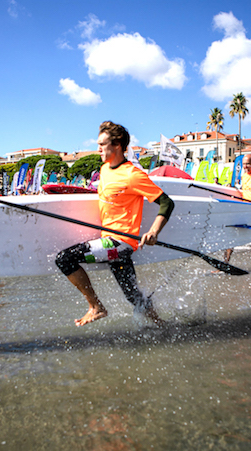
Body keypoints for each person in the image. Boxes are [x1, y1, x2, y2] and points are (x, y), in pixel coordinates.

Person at [55, 121, 175, 327]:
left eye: (102, 144)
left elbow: (166, 202)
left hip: (120, 243)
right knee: (132, 296)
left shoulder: (132, 175)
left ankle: (96, 307)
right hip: (109, 244)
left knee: (64, 259)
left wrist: (154, 231)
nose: (98, 149)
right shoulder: (104, 169)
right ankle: (164, 326)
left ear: (117, 145)